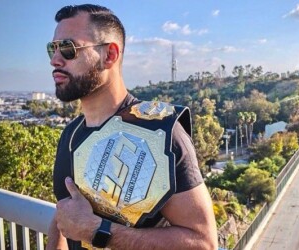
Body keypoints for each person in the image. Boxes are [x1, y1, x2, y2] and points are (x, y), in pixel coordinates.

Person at [46, 4, 217, 250]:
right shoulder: (70, 135)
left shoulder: (161, 134)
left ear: (110, 55)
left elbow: (203, 243)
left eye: (68, 48)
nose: (54, 60)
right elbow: (64, 213)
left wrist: (97, 231)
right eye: (52, 48)